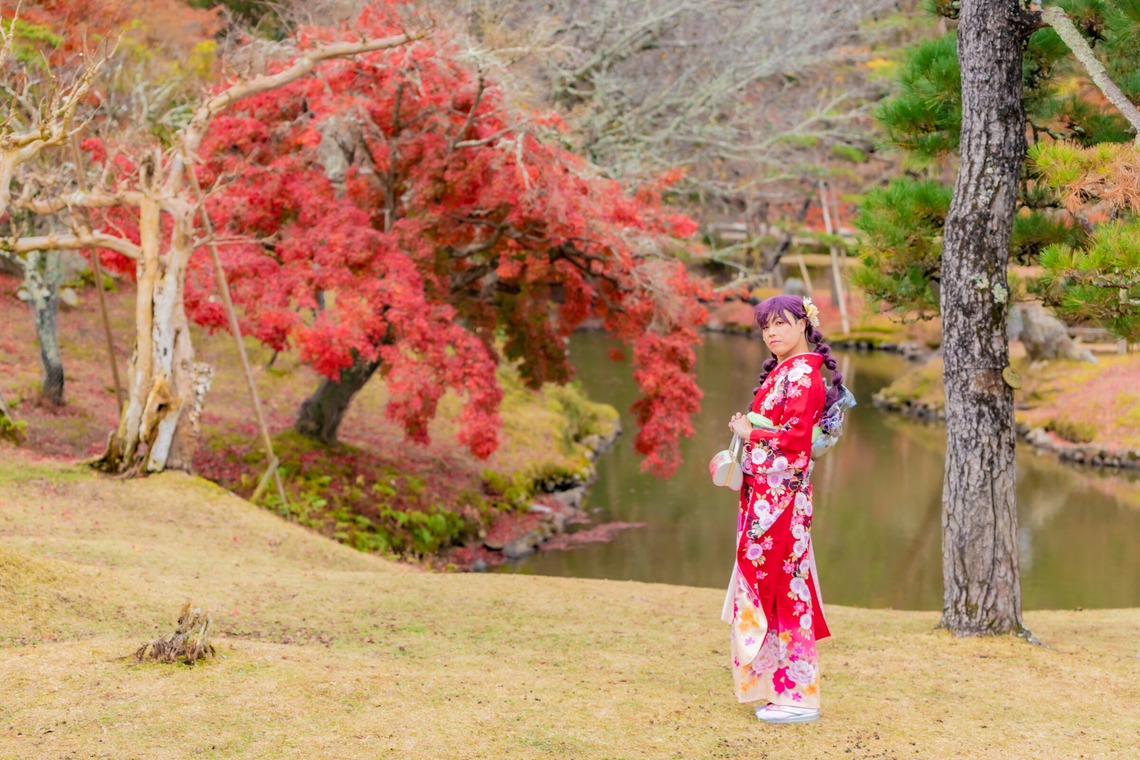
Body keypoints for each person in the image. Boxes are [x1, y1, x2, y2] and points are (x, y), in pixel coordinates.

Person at [721, 294, 844, 724]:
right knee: (774, 587)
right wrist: (750, 428)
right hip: (768, 498)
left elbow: (794, 447)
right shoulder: (786, 372)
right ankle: (779, 686)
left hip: (782, 500)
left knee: (786, 589)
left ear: (803, 324)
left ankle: (799, 696)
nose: (771, 333)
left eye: (780, 324)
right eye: (765, 327)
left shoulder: (804, 378)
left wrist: (748, 436)